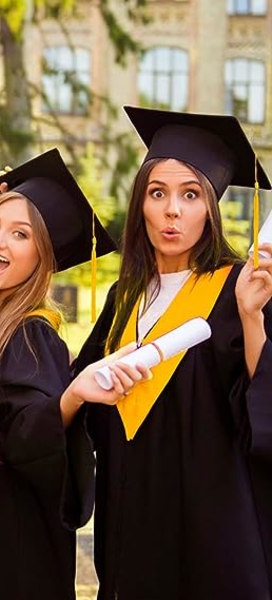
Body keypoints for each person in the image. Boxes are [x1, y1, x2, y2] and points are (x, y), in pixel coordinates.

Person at [0, 148, 148, 600]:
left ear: (43, 256)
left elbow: (29, 434)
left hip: (6, 551)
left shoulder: (32, 336)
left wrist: (69, 400)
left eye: (19, 234)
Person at [74, 106, 272, 599]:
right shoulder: (125, 297)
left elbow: (259, 409)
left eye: (190, 195)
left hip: (211, 527)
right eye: (157, 193)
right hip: (131, 521)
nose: (172, 210)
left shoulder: (238, 289)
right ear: (141, 203)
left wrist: (251, 317)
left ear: (211, 208)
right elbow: (85, 404)